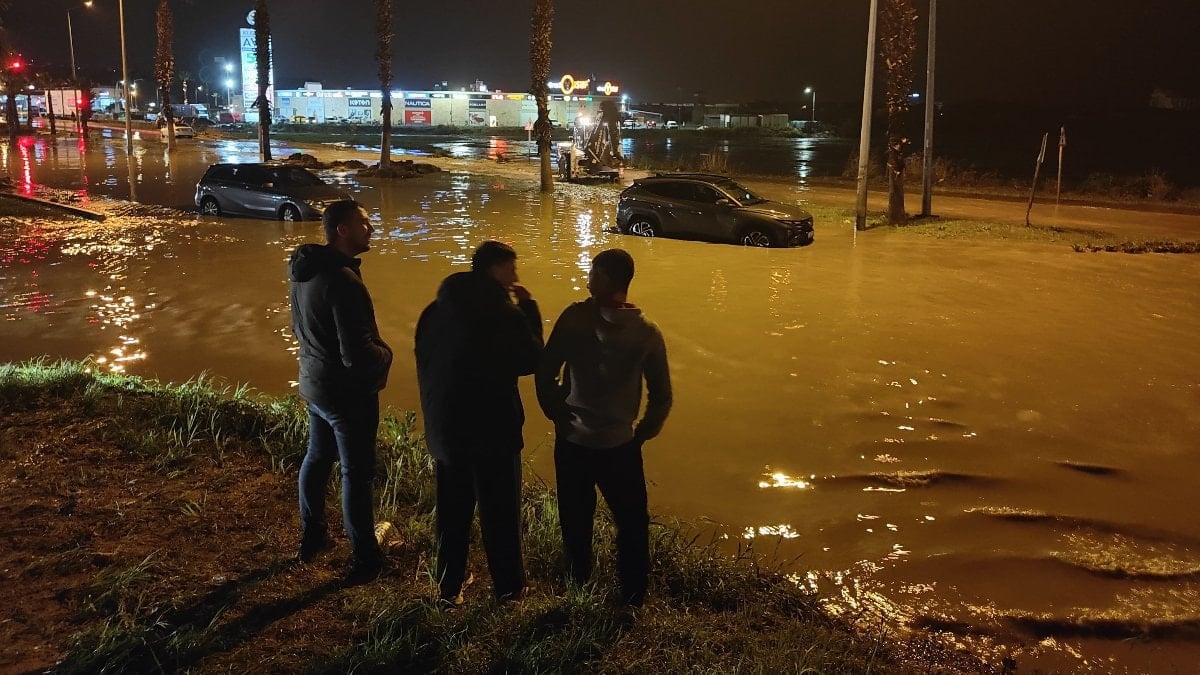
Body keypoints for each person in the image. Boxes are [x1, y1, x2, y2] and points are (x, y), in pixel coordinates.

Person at [535, 248, 672, 607]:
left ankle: (578, 584)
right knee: (631, 523)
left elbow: (545, 370)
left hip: (573, 440)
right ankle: (632, 594)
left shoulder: (575, 318)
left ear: (608, 279)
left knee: (575, 518)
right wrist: (641, 433)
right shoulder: (647, 332)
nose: (588, 278)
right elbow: (662, 397)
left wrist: (555, 412)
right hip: (620, 446)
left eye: (593, 272)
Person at [415, 241, 543, 604]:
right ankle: (509, 588)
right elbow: (532, 359)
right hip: (493, 434)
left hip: (446, 432)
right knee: (501, 514)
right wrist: (529, 309)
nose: (515, 277)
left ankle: (447, 586)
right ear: (495, 270)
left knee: (452, 514)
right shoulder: (503, 313)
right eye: (511, 269)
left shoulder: (434, 310)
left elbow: (427, 366)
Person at [288, 200, 393, 586]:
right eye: (365, 223)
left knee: (317, 457)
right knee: (356, 472)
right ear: (342, 231)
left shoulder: (304, 270)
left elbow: (299, 326)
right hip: (346, 393)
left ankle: (313, 535)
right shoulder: (344, 280)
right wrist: (387, 355)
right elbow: (358, 353)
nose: (372, 229)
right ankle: (365, 557)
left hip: (314, 381)